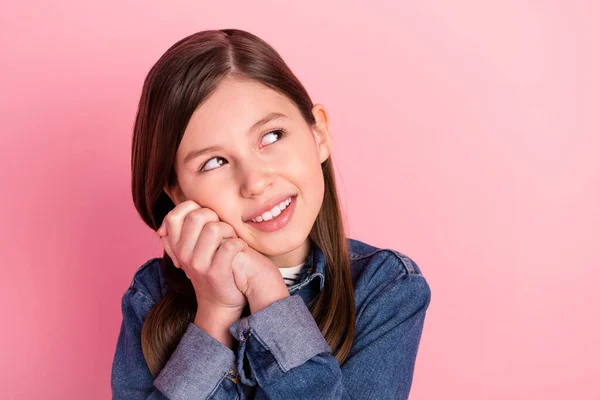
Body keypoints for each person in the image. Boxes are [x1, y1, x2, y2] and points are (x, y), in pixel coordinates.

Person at [111, 28, 431, 400]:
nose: (255, 182)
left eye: (272, 136)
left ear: (319, 134)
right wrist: (216, 312)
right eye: (214, 162)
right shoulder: (151, 297)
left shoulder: (386, 287)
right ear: (178, 193)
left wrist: (271, 299)